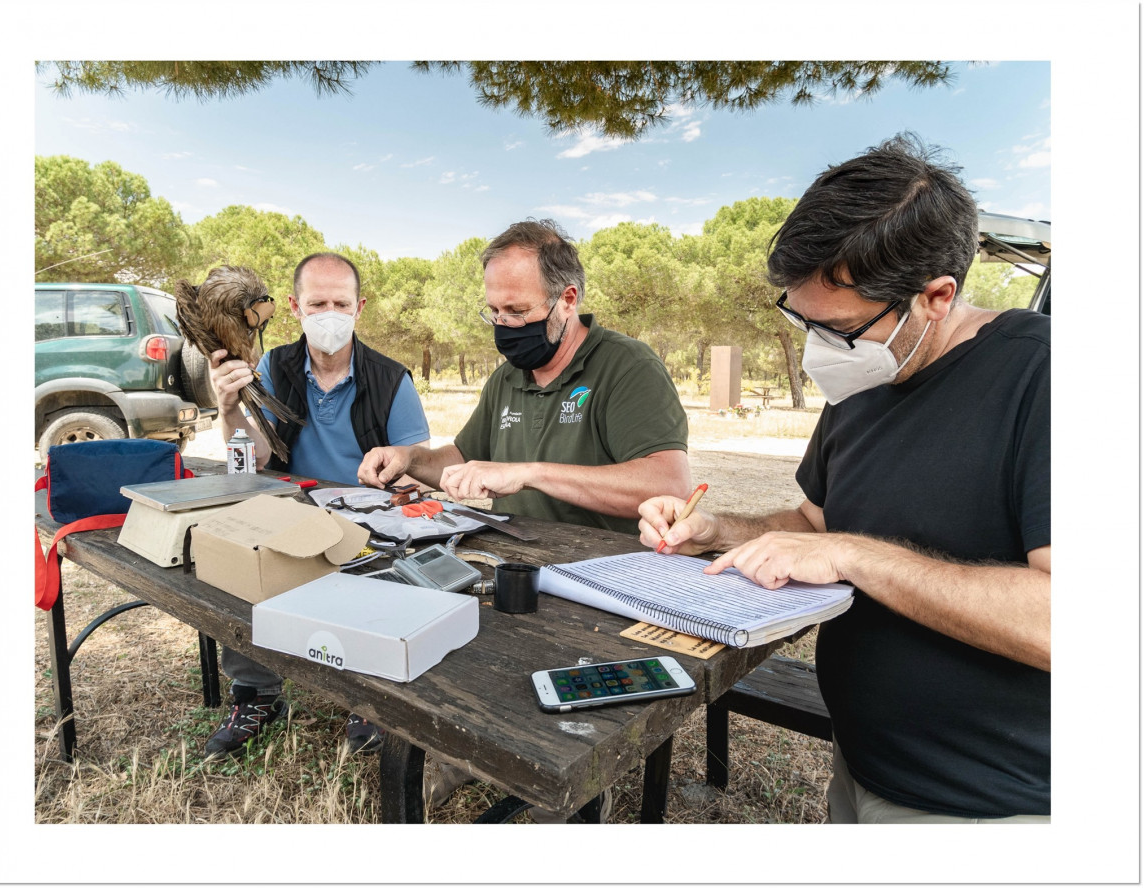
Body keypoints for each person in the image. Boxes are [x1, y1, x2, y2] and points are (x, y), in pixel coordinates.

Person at [638, 133, 1050, 824]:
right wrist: (715, 530)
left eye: (838, 329)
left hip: (985, 802)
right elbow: (813, 526)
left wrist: (855, 556)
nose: (814, 351)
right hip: (860, 761)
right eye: (800, 321)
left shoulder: (1042, 378)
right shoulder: (863, 378)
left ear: (935, 297)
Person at [359, 219, 691, 818]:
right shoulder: (508, 377)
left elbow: (668, 484)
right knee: (438, 617)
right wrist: (410, 458)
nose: (505, 328)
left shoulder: (625, 366)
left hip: (609, 584)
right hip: (517, 565)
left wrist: (530, 471)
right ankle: (464, 749)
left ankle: (575, 782)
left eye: (517, 311)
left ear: (568, 300)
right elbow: (459, 459)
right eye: (494, 313)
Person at [204, 251, 430, 759]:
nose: (330, 313)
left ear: (360, 307)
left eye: (341, 302)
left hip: (367, 520)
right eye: (317, 302)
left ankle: (371, 697)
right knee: (239, 557)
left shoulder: (393, 380)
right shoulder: (272, 366)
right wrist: (228, 407)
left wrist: (398, 469)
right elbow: (253, 459)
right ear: (294, 306)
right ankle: (257, 694)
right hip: (291, 509)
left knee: (393, 568)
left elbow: (415, 470)